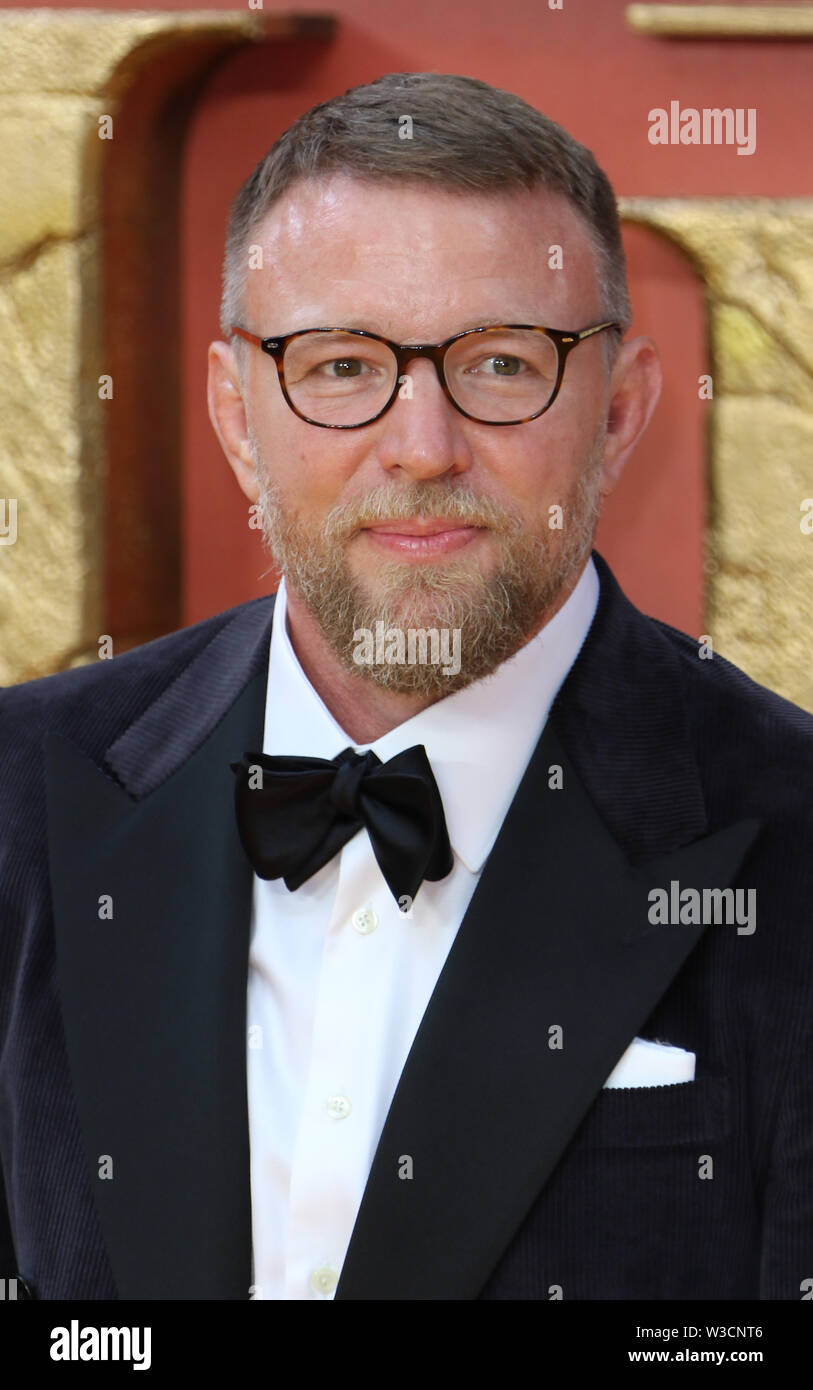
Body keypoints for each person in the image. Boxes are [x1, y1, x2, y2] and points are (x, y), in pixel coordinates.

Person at [1, 71, 811, 1303]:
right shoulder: (17, 796)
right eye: (338, 367)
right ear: (235, 413)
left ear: (620, 410)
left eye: (499, 363)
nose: (422, 447)